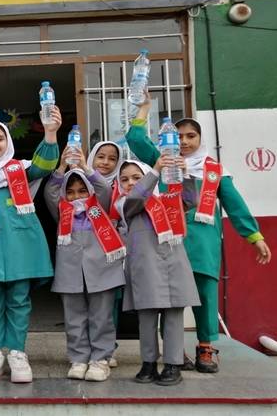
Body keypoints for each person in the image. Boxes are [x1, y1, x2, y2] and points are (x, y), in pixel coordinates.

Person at [126, 98, 271, 372]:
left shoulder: (215, 170)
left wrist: (255, 237)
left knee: (205, 294)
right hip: (168, 240)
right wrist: (143, 109)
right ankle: (174, 351)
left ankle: (205, 347)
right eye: (179, 136)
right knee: (168, 295)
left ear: (200, 139)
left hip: (203, 242)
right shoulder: (163, 159)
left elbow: (234, 204)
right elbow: (135, 138)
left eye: (191, 136)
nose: (184, 141)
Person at [0, 109, 60, 384]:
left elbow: (44, 166)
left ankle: (18, 352)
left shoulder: (20, 169)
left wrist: (50, 133)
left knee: (19, 300)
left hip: (21, 249)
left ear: (8, 141)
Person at [115, 157, 200, 385]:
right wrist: (155, 171)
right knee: (147, 318)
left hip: (174, 265)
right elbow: (137, 198)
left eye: (136, 177)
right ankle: (148, 363)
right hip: (145, 269)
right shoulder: (125, 204)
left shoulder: (166, 201)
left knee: (173, 317)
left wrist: (186, 175)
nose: (130, 183)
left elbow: (190, 200)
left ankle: (173, 365)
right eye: (124, 180)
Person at [44, 146, 126, 382]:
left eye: (82, 191)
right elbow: (50, 191)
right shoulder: (62, 211)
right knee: (74, 318)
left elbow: (104, 188)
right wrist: (62, 166)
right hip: (70, 273)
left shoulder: (100, 207)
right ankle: (78, 358)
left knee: (101, 317)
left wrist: (84, 166)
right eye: (70, 192)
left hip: (102, 270)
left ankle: (101, 359)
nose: (76, 196)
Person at [86, 140, 125, 368]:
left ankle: (108, 348)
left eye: (112, 159)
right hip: (85, 250)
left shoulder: (121, 185)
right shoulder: (79, 181)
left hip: (111, 249)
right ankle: (87, 347)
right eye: (101, 156)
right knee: (84, 303)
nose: (105, 162)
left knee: (110, 302)